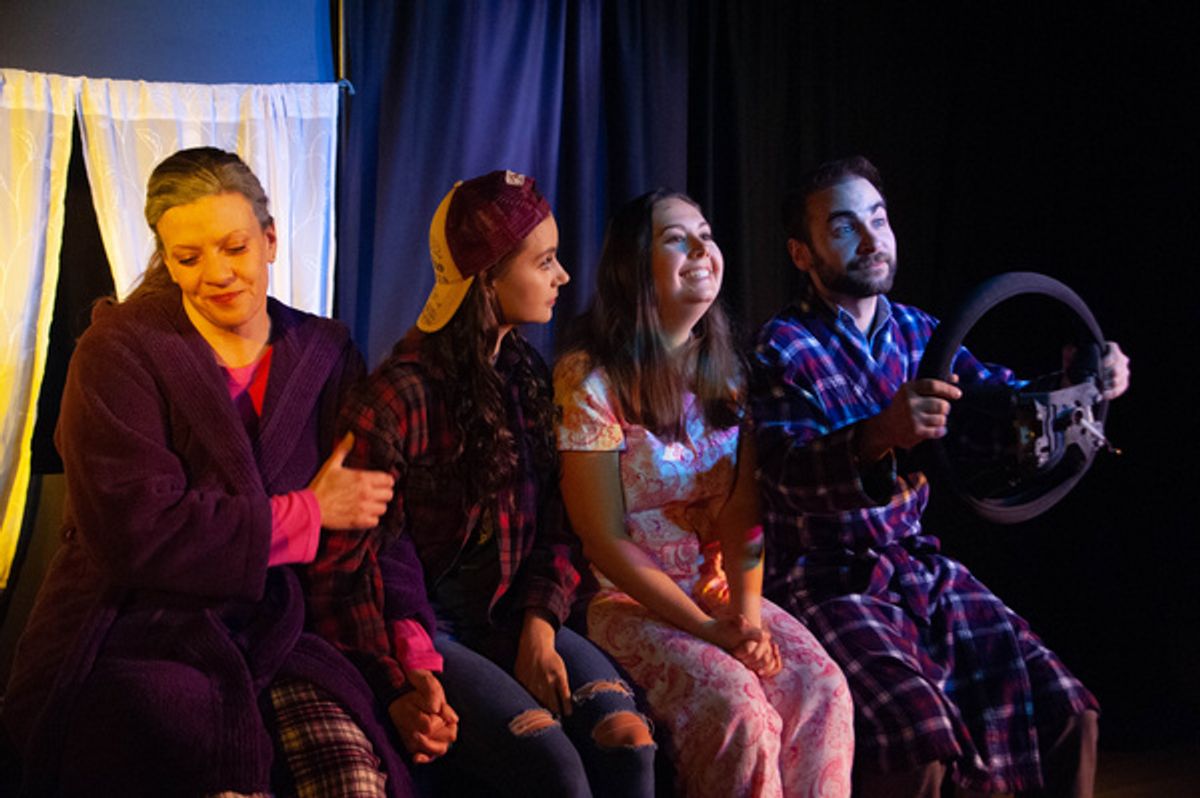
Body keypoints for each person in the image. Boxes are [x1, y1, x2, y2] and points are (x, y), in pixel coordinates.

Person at [2, 147, 411, 796]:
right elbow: (135, 530)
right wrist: (307, 511)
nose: (217, 273)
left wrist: (409, 653)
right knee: (193, 761)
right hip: (134, 628)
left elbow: (379, 519)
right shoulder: (117, 352)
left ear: (270, 240)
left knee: (355, 778)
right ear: (166, 257)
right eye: (188, 258)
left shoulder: (325, 353)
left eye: (234, 247)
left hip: (281, 627)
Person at [750, 155, 1131, 797]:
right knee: (918, 745)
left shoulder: (921, 332)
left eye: (879, 218)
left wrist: (1083, 384)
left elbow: (999, 406)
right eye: (845, 228)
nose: (872, 239)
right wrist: (878, 435)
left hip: (919, 567)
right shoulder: (781, 348)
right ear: (802, 253)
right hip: (827, 580)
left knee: (1067, 710)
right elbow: (785, 472)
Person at [306, 170, 656, 797]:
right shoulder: (398, 395)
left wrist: (540, 623)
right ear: (488, 279)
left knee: (629, 743)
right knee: (552, 767)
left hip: (512, 616)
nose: (564, 276)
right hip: (427, 632)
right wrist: (396, 677)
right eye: (544, 260)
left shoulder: (522, 370)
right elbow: (350, 566)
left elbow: (559, 520)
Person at [555, 189, 854, 798]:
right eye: (676, 238)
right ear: (634, 268)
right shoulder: (590, 378)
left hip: (715, 589)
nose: (702, 249)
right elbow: (604, 538)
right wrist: (707, 629)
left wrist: (744, 616)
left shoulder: (729, 370)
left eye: (707, 234)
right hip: (628, 603)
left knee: (821, 686)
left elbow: (744, 511)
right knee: (739, 708)